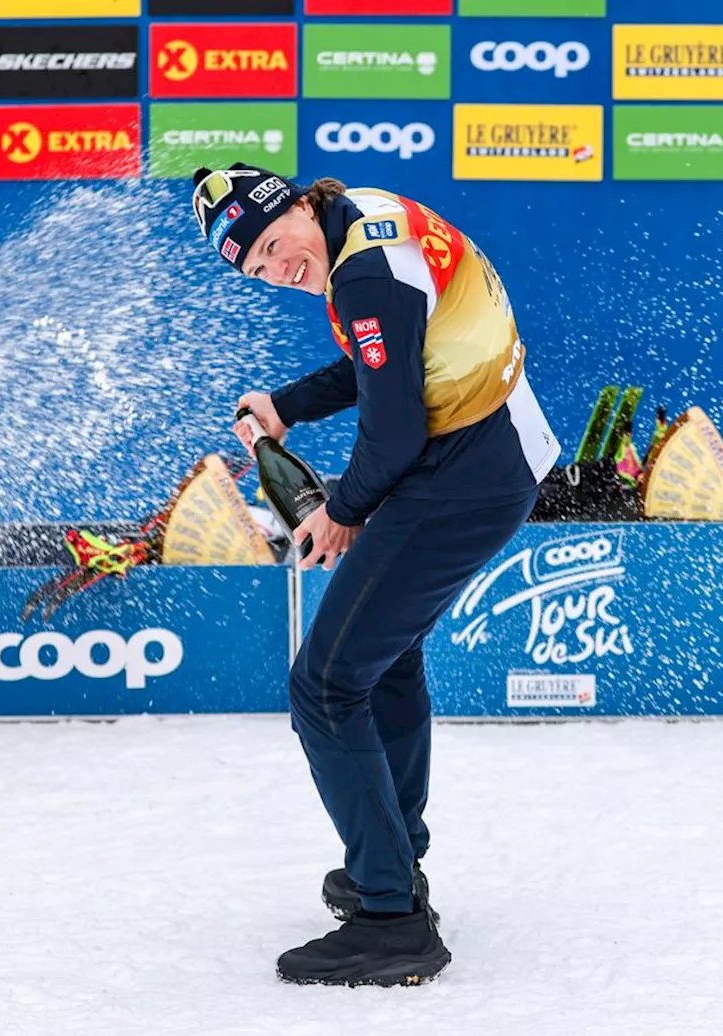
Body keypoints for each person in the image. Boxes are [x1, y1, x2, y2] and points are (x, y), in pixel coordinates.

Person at [192, 164, 560, 986]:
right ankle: (392, 860)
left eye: (275, 245)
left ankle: (392, 919)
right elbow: (391, 359)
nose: (277, 269)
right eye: (256, 269)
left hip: (460, 474)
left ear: (294, 202)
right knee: (382, 657)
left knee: (324, 686)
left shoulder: (359, 275)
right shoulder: (365, 218)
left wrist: (341, 512)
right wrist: (288, 405)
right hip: (489, 449)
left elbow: (389, 437)